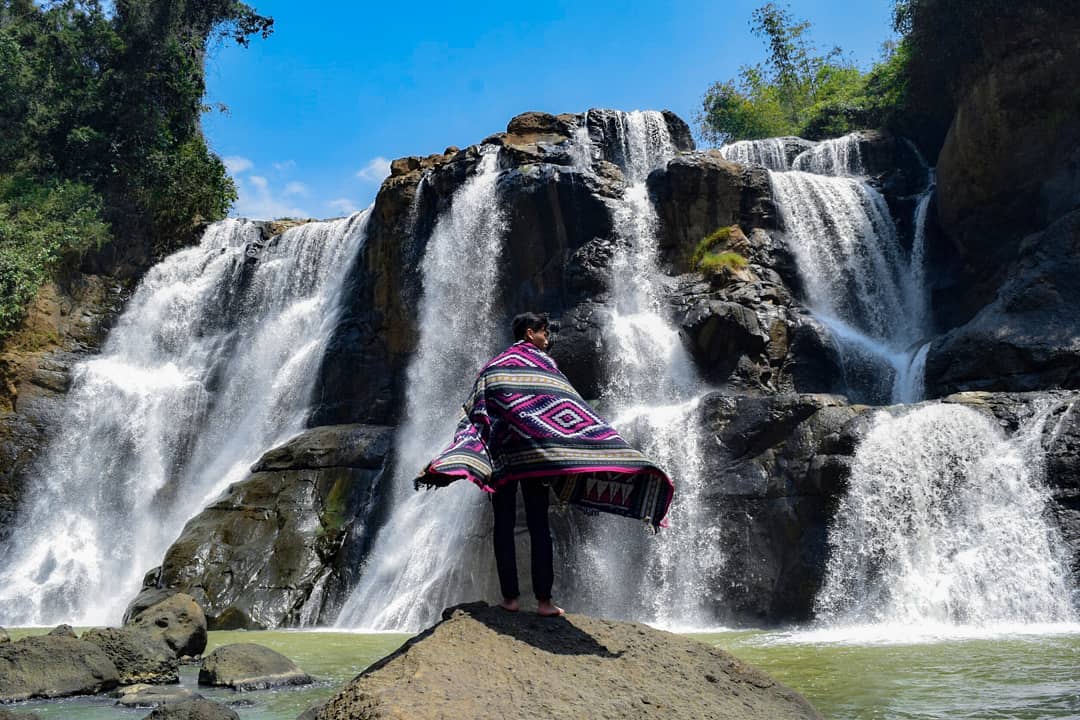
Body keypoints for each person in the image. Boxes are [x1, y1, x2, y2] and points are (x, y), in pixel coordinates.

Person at [415, 311, 674, 617]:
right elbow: (565, 405)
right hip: (537, 459)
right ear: (529, 333)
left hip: (502, 461)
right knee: (539, 526)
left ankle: (510, 600)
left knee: (503, 526)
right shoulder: (543, 364)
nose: (547, 339)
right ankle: (544, 602)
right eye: (544, 333)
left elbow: (477, 411)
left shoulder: (492, 367)